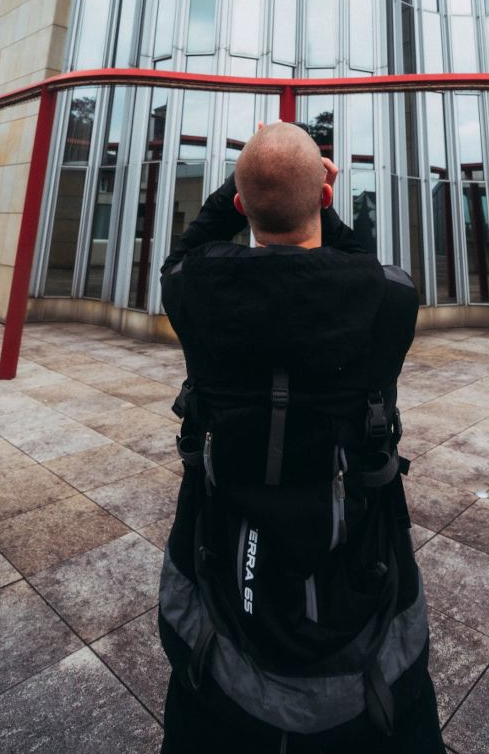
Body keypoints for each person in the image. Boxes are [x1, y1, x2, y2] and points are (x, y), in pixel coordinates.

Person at [158, 122, 444, 753]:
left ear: (238, 206)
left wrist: (237, 196)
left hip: (226, 541)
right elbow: (365, 266)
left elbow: (179, 257)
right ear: (322, 193)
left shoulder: (193, 290)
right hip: (357, 555)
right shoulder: (388, 300)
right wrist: (323, 203)